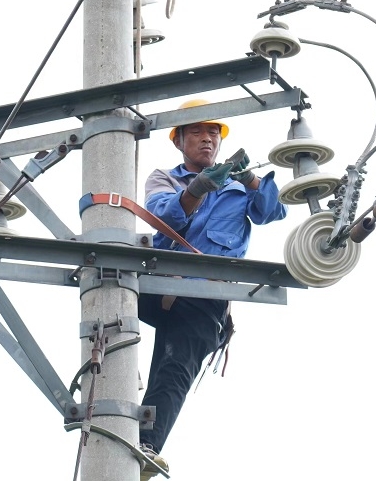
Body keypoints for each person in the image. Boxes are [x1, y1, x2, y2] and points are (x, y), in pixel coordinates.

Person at [136, 99, 288, 480]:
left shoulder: (238, 187)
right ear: (179, 140)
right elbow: (163, 216)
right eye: (197, 132)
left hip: (206, 297)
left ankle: (142, 443)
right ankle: (117, 379)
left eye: (213, 133)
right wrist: (200, 187)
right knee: (112, 297)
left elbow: (274, 210)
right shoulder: (164, 178)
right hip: (159, 284)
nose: (207, 139)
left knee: (174, 365)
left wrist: (248, 177)